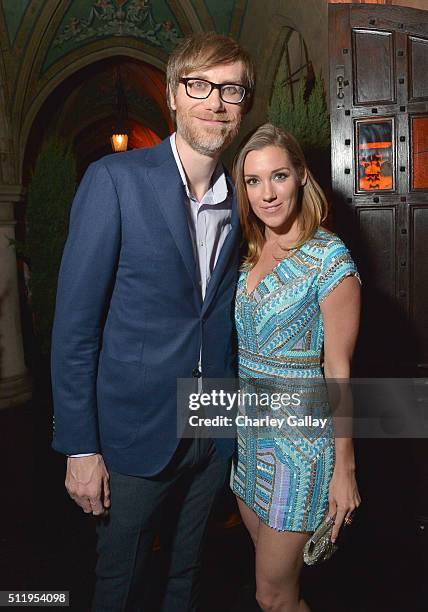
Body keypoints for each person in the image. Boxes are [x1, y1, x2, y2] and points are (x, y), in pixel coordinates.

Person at [51, 33, 255, 611]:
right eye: (200, 86)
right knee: (121, 583)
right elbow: (74, 331)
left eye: (231, 89)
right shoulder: (115, 182)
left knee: (187, 580)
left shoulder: (243, 198)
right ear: (172, 95)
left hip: (213, 437)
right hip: (134, 438)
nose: (215, 102)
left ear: (243, 104)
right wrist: (79, 447)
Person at [230, 123, 361, 612]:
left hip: (300, 448)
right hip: (249, 438)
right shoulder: (247, 252)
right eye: (254, 181)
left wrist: (344, 469)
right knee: (276, 586)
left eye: (279, 176)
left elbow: (340, 371)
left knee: (273, 595)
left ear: (302, 177)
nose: (267, 193)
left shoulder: (331, 260)